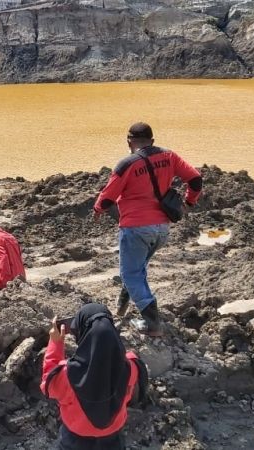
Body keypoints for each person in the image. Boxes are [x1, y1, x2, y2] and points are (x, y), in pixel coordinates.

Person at [93, 123, 203, 337]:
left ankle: (152, 323)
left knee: (131, 272)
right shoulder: (169, 156)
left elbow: (106, 199)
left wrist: (98, 209)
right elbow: (196, 179)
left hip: (136, 229)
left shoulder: (127, 164)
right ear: (152, 141)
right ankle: (121, 307)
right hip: (161, 229)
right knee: (136, 267)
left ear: (128, 142)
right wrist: (189, 203)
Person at [41, 303, 149, 450]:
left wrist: (56, 344)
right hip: (113, 439)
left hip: (74, 440)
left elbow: (48, 384)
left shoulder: (67, 373)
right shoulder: (132, 367)